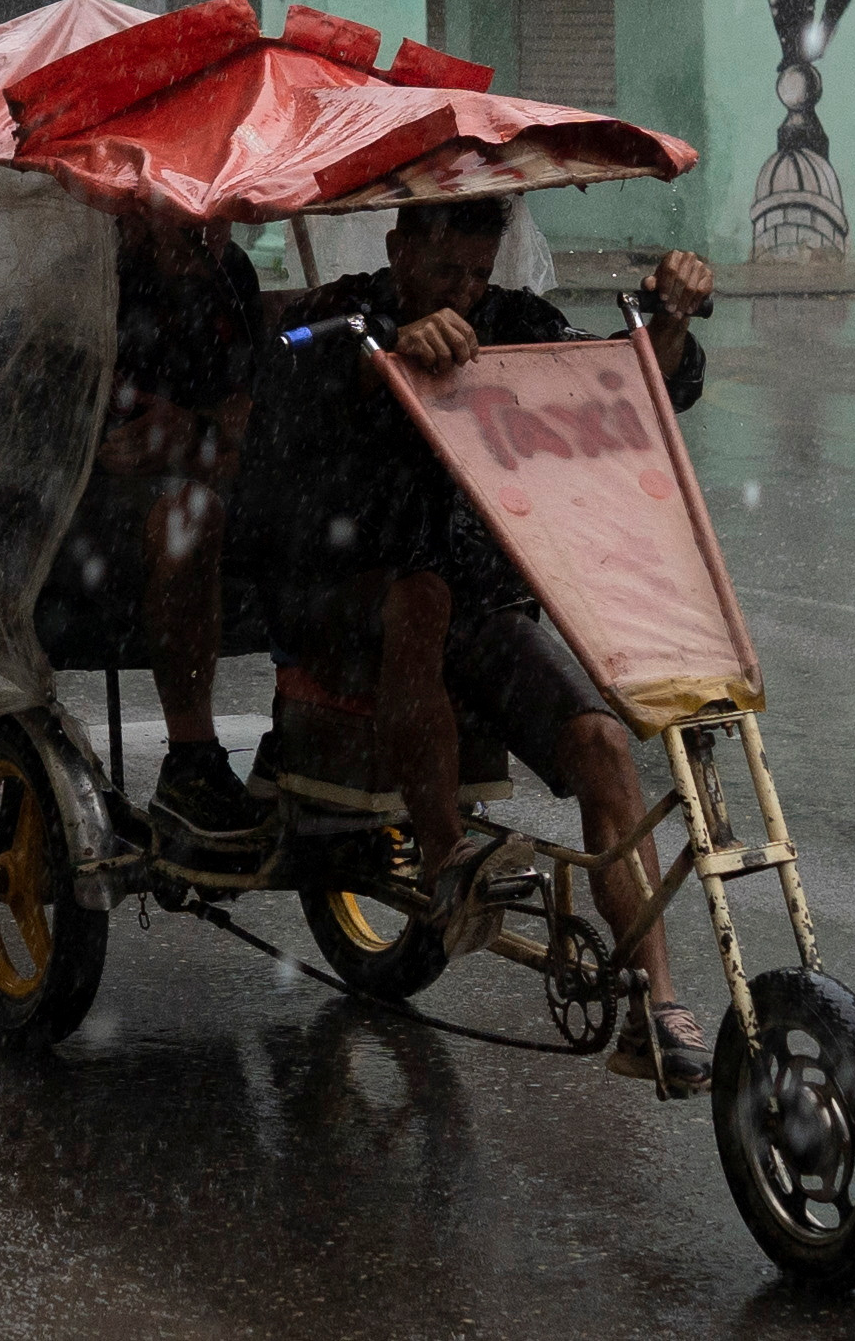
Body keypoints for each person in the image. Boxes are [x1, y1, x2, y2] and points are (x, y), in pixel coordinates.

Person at [245, 197, 720, 1093]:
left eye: (476, 272)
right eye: (443, 273)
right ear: (398, 249)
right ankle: (444, 856)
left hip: (472, 605)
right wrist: (387, 350)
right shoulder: (341, 313)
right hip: (346, 597)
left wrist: (670, 318)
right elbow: (307, 374)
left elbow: (621, 382)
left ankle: (656, 1004)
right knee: (421, 596)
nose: (464, 293)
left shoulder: (514, 322)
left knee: (602, 744)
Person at [59, 203, 268, 865]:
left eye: (221, 214)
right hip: (84, 508)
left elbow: (247, 406)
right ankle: (192, 760)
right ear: (138, 208)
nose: (207, 234)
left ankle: (312, 736)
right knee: (191, 513)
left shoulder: (228, 273)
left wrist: (198, 432)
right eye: (186, 214)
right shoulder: (91, 284)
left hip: (200, 473)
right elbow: (94, 437)